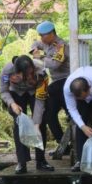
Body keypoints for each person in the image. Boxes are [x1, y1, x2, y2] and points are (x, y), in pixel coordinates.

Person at [0, 55, 53, 174]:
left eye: (31, 73)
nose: (29, 77)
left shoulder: (41, 71)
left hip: (34, 93)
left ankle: (41, 161)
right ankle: (22, 162)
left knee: (41, 121)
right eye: (25, 75)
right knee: (19, 122)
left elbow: (40, 99)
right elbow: (4, 91)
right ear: (17, 72)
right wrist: (12, 104)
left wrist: (36, 123)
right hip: (16, 93)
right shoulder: (7, 70)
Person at [30, 21, 71, 154]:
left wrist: (40, 57)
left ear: (52, 33)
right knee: (49, 115)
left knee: (68, 113)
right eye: (40, 35)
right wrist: (34, 49)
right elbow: (35, 43)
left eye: (44, 35)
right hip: (57, 83)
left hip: (67, 80)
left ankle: (74, 144)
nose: (41, 38)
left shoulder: (61, 46)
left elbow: (55, 65)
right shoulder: (46, 43)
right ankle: (63, 145)